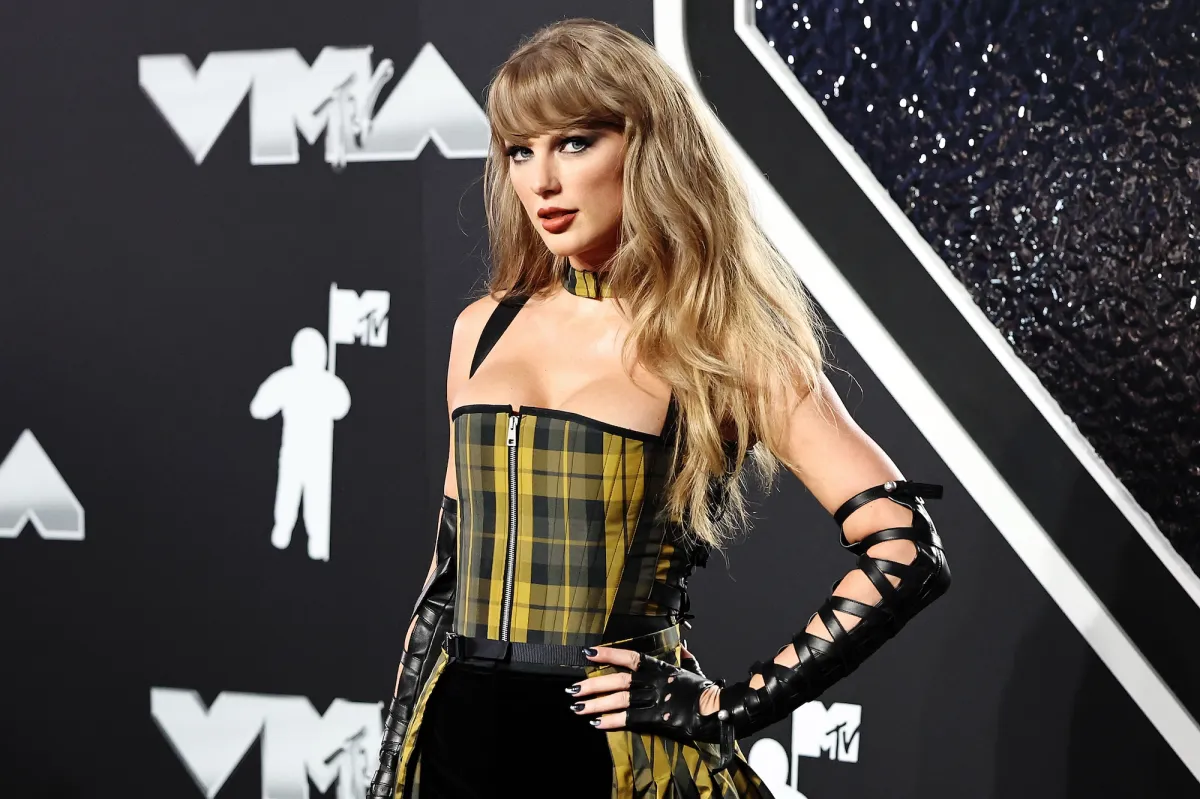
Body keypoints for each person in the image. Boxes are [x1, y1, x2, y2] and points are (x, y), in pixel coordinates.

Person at [368, 18, 951, 799]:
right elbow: (447, 581)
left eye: (575, 142)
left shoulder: (723, 340)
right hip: (457, 743)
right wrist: (391, 768)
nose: (542, 181)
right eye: (519, 150)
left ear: (646, 148)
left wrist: (727, 705)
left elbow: (906, 549)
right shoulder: (483, 327)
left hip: (615, 757)